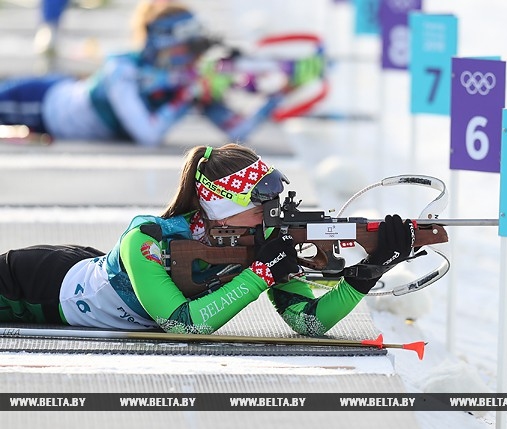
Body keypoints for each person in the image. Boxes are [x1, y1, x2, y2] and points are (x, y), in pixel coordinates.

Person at [0, 144, 416, 336]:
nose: (270, 216)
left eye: (274, 203)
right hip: (35, 285)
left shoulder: (266, 238)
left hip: (83, 279)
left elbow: (308, 323)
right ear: (219, 206)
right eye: (259, 205)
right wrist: (259, 276)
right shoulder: (146, 238)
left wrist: (367, 272)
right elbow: (183, 325)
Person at [0, 2, 288, 147]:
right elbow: (146, 134)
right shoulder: (122, 69)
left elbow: (238, 131)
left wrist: (276, 97)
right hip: (42, 103)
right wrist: (187, 94)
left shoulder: (187, 80)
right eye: (185, 48)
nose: (190, 57)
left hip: (56, 106)